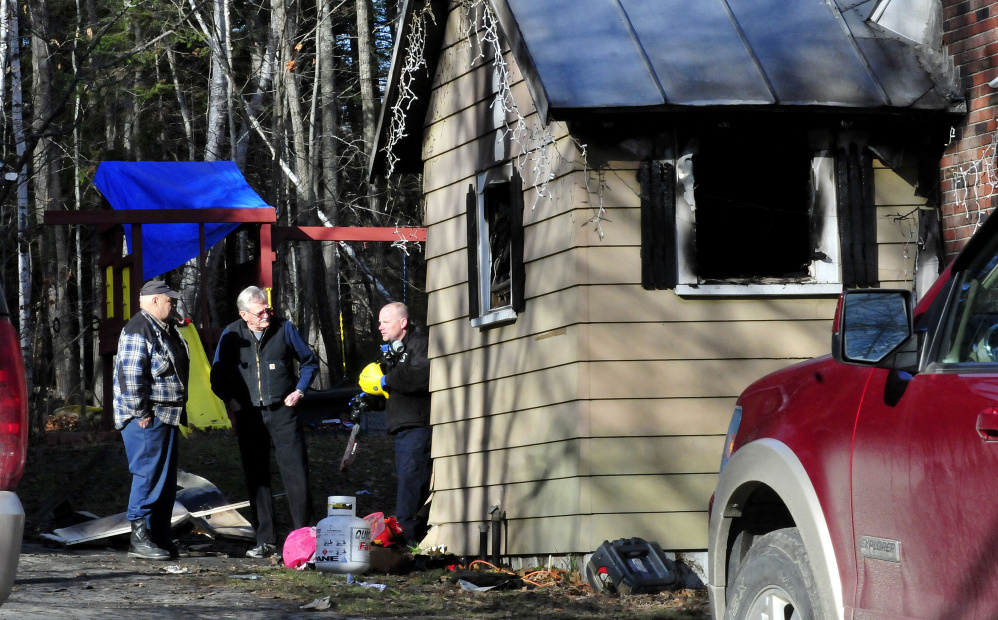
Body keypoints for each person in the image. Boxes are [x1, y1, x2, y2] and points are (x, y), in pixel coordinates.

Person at [210, 286, 318, 559]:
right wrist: (234, 406)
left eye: (268, 310)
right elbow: (217, 376)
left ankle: (304, 537)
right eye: (260, 313)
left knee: (296, 473)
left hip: (283, 409)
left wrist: (300, 390)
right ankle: (265, 539)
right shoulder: (231, 334)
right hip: (249, 414)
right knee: (256, 477)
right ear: (244, 315)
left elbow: (308, 362)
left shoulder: (284, 328)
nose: (267, 316)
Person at [113, 279, 190, 561]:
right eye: (169, 300)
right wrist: (142, 413)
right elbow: (130, 377)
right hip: (149, 416)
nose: (173, 304)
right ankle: (139, 537)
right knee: (147, 475)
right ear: (155, 300)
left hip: (166, 415)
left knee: (165, 480)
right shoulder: (139, 329)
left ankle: (159, 536)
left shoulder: (164, 328)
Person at [378, 301, 432, 543]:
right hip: (401, 429)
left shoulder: (419, 345)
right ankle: (407, 538)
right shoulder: (392, 351)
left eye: (385, 321)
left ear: (403, 322)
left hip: (416, 428)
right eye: (379, 322)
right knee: (407, 482)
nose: (380, 326)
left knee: (411, 486)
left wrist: (386, 379)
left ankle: (408, 543)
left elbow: (420, 378)